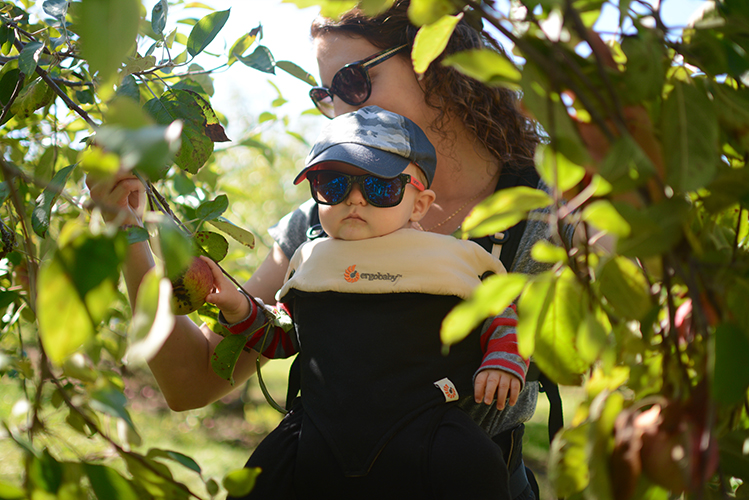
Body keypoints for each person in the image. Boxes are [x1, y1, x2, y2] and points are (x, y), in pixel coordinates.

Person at [86, 1, 574, 498]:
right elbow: (192, 380)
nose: (343, 109)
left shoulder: (556, 209)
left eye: (353, 82)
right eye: (328, 94)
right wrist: (126, 228)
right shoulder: (322, 226)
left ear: (435, 58)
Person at [206, 105, 527, 498]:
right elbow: (285, 337)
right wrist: (239, 308)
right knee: (256, 481)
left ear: (420, 204)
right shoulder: (311, 259)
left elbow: (503, 312)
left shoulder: (454, 259)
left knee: (479, 469)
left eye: (380, 187)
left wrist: (503, 361)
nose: (355, 200)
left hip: (428, 428)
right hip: (317, 430)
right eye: (333, 185)